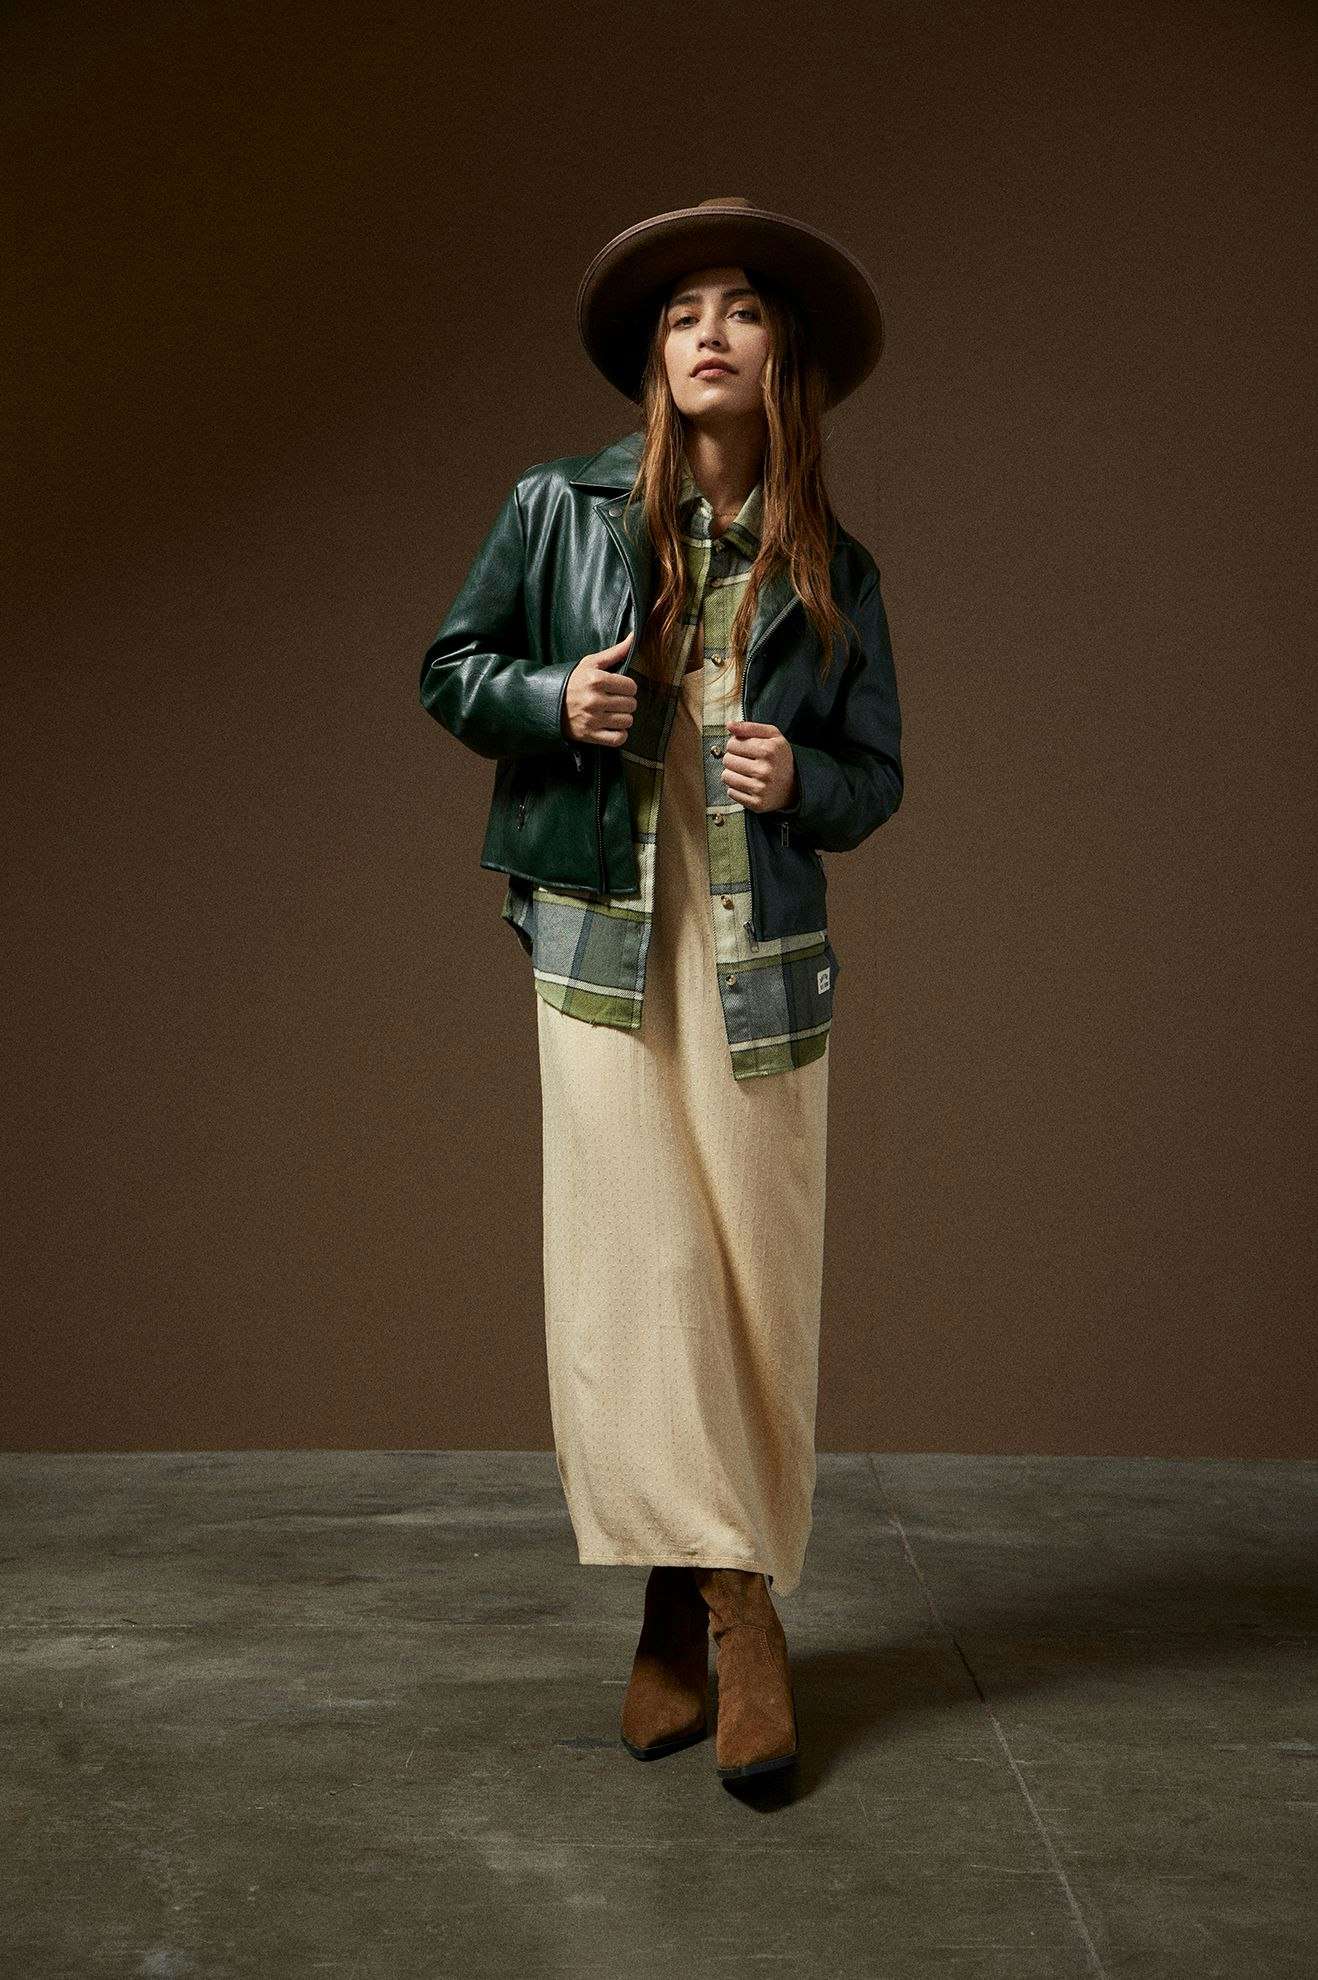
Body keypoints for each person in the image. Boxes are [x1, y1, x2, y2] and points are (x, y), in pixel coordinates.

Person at [420, 197, 903, 1786]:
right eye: (682, 312)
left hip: (758, 960)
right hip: (599, 940)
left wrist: (801, 780)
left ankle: (670, 1608)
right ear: (653, 356)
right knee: (638, 1271)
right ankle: (738, 1609)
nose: (707, 333)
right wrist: (551, 693)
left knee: (755, 1281)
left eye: (740, 310)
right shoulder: (554, 507)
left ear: (781, 358)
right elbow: (450, 671)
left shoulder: (833, 564)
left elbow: (876, 775)